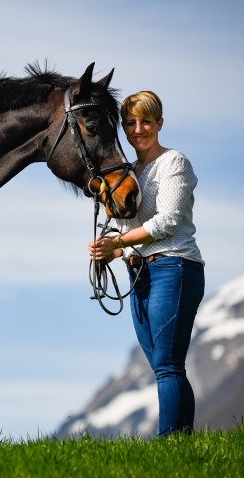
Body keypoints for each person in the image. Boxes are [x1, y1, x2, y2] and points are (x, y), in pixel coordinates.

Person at [88, 90, 205, 437]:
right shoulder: (127, 174)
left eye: (146, 122)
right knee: (162, 365)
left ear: (160, 124)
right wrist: (111, 251)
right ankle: (181, 443)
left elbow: (168, 221)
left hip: (175, 267)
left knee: (168, 365)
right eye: (131, 123)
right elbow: (127, 230)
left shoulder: (174, 163)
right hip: (139, 272)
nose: (138, 129)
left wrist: (120, 242)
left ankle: (172, 443)